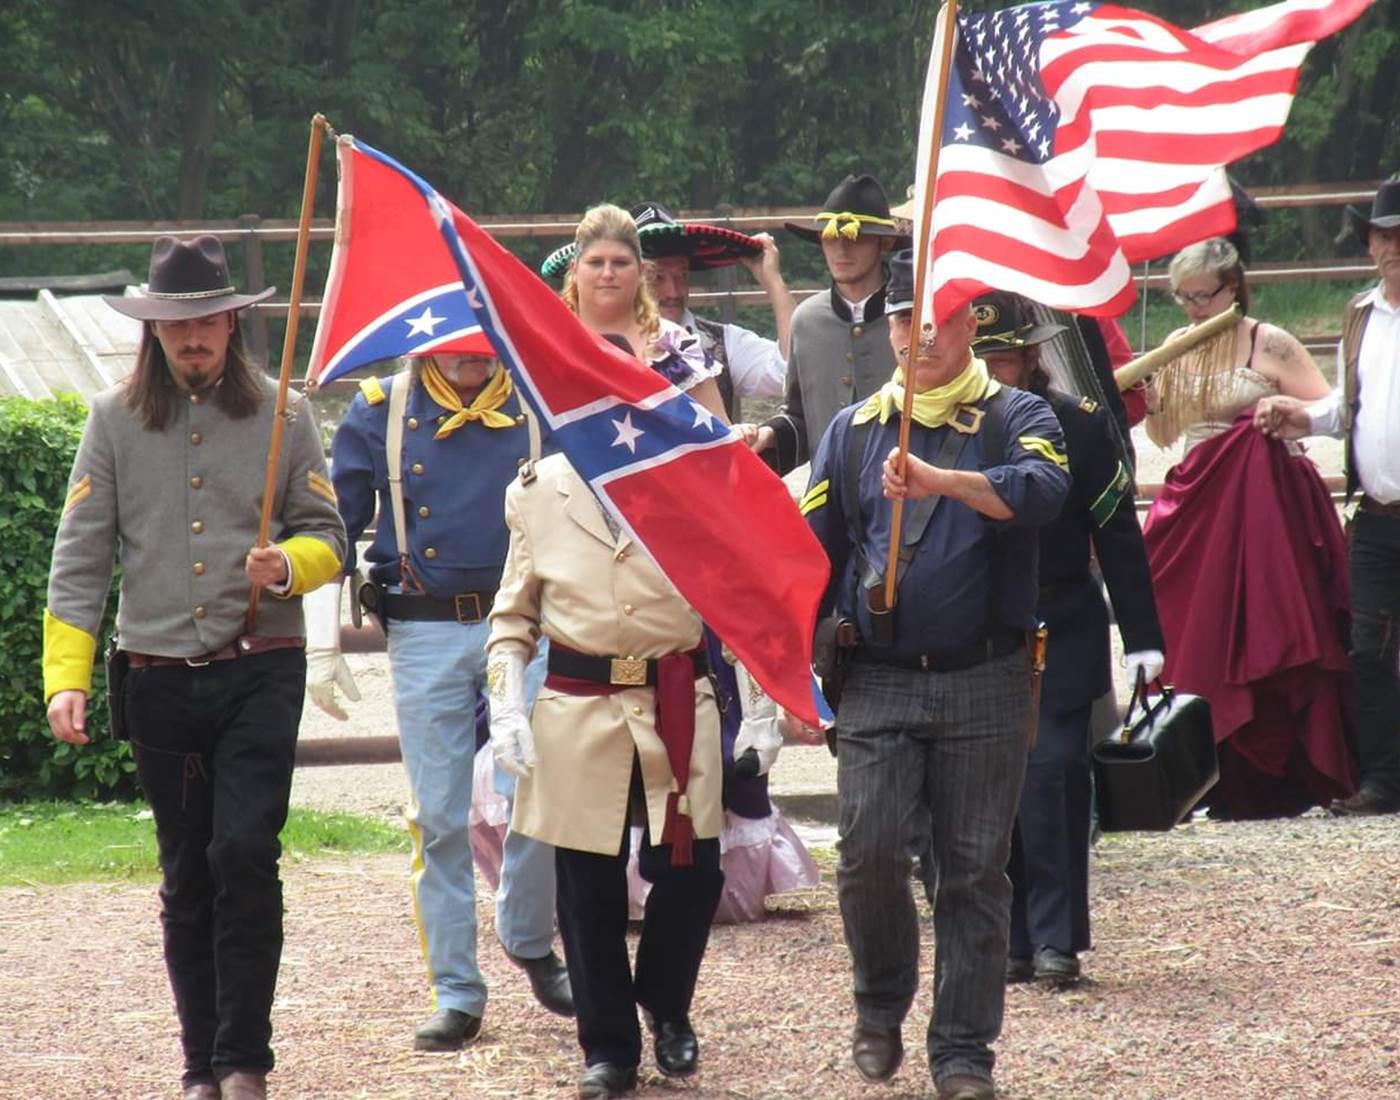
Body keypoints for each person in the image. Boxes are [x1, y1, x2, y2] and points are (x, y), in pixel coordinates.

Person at [42, 236, 347, 1100]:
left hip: (261, 669)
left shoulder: (288, 414)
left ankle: (246, 1060)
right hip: (159, 679)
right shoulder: (110, 420)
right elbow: (81, 558)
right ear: (154, 333)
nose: (194, 339)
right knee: (187, 871)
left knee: (244, 852)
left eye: (208, 321)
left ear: (232, 323)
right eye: (177, 327)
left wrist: (288, 565)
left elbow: (332, 538)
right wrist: (66, 675)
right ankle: (199, 1065)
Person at [801, 251, 1070, 1100]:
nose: (918, 333)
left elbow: (1043, 492)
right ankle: (881, 1000)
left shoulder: (1016, 413)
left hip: (986, 677)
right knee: (867, 853)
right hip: (877, 676)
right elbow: (808, 553)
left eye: (937, 316)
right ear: (886, 330)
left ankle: (962, 1054)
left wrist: (942, 481)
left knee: (972, 871)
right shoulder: (850, 432)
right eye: (902, 318)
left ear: (968, 325)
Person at [485, 257, 726, 1093]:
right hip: (579, 703)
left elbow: (738, 591)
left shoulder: (695, 475)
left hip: (674, 701)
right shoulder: (537, 490)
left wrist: (765, 696)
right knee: (585, 886)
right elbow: (511, 618)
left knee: (694, 876)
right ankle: (609, 1048)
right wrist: (505, 704)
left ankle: (667, 1003)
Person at [548, 202, 817, 925]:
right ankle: (593, 874)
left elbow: (714, 434)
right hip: (578, 524)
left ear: (638, 272)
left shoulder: (675, 342)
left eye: (621, 261)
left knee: (690, 683)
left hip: (667, 530)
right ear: (577, 268)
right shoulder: (550, 339)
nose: (609, 272)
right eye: (596, 261)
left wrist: (736, 462)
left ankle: (684, 860)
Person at [307, 334, 573, 1052]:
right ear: (427, 350)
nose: (473, 362)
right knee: (439, 818)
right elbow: (333, 530)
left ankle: (526, 935)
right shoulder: (378, 412)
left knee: (540, 792)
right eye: (457, 351)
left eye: (483, 350)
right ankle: (456, 991)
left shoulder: (535, 406)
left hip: (526, 625)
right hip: (424, 630)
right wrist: (321, 642)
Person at [970, 291, 1164, 985]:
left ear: (1031, 356)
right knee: (997, 787)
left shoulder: (1079, 426)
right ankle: (1014, 938)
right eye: (981, 359)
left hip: (1062, 622)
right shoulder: (951, 430)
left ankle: (1056, 937)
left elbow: (1117, 533)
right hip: (985, 629)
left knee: (1053, 774)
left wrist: (1142, 636)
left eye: (1004, 357)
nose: (995, 371)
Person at [1143, 236, 1355, 818]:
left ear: (1232, 287)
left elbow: (1327, 406)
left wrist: (1278, 414)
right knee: (1192, 628)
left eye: (1201, 296)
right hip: (1200, 506)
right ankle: (1200, 766)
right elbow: (1163, 435)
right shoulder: (1176, 344)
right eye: (1181, 297)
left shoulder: (1273, 342)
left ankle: (1275, 768)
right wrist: (1152, 399)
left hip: (1266, 513)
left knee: (1271, 629)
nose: (1191, 309)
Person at [1255, 174, 1400, 816]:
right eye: (1383, 235)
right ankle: (1384, 781)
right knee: (1367, 650)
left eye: (1399, 236)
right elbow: (1355, 405)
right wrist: (1304, 417)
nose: (1392, 247)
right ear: (1369, 244)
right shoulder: (1360, 316)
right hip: (1376, 514)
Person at [743, 173, 905, 473]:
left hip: (906, 503)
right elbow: (801, 419)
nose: (842, 249)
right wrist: (770, 435)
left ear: (885, 243)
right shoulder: (805, 321)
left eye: (856, 236)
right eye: (832, 236)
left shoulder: (912, 318)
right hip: (832, 505)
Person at [632, 200, 794, 419]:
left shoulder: (721, 342)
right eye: (657, 277)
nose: (673, 292)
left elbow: (790, 370)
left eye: (682, 275)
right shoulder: (604, 343)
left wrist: (772, 281)